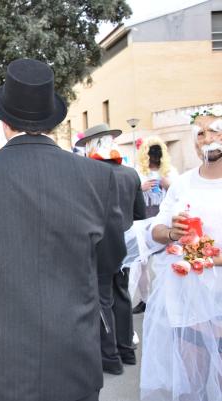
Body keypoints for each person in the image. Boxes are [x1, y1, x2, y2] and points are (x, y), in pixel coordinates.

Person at [0, 58, 126, 401]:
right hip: (72, 359)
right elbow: (110, 261)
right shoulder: (98, 178)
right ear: (52, 120)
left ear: (5, 122)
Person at [139, 108, 222, 401]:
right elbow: (155, 231)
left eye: (215, 130)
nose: (207, 138)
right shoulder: (183, 184)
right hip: (188, 304)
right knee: (193, 384)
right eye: (200, 133)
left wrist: (214, 257)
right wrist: (172, 232)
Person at [76, 124, 147, 374]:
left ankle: (110, 357)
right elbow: (140, 213)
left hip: (101, 245)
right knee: (122, 295)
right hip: (126, 243)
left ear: (92, 145)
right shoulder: (130, 173)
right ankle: (126, 350)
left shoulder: (89, 174)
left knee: (103, 299)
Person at [133, 137, 178, 314]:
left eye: (158, 152)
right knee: (141, 264)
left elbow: (180, 195)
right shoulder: (137, 172)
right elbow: (129, 192)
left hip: (164, 224)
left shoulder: (170, 172)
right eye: (151, 152)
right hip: (142, 223)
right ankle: (145, 300)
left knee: (167, 262)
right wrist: (140, 188)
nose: (154, 156)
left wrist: (169, 185)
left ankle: (166, 300)